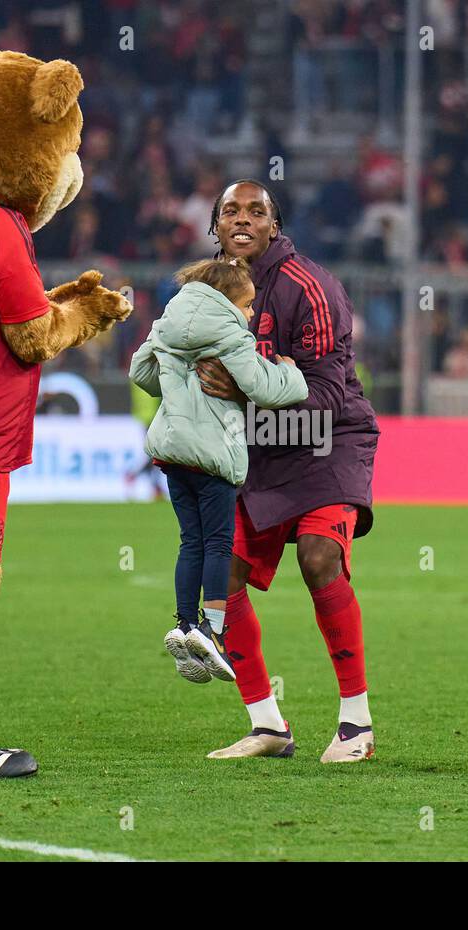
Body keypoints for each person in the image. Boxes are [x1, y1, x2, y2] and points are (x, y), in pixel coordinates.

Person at [194, 180, 381, 763]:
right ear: (215, 227)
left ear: (275, 226)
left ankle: (357, 725)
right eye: (230, 211)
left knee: (319, 557)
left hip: (326, 444)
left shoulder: (311, 287)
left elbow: (326, 395)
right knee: (220, 573)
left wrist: (245, 391)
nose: (242, 219)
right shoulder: (204, 292)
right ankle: (267, 725)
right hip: (259, 450)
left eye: (256, 211)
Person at [130, 257, 307, 685]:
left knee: (190, 541)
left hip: (172, 452)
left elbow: (141, 370)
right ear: (229, 298)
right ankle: (213, 630)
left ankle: (185, 624)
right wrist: (292, 374)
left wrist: (180, 384)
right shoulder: (229, 332)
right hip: (213, 452)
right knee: (218, 543)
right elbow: (262, 388)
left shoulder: (169, 319)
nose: (250, 314)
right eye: (247, 305)